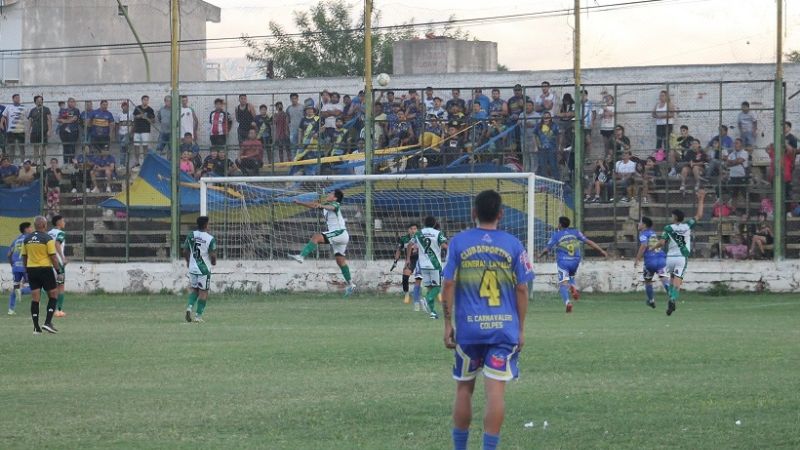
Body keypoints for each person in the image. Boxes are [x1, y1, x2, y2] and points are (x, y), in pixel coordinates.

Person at [441, 189, 534, 450]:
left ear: (473, 213)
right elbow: (522, 288)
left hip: (469, 330)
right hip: (503, 330)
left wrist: (448, 324)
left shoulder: (458, 242)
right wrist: (521, 329)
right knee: (495, 392)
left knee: (464, 389)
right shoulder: (514, 244)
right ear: (501, 214)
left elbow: (447, 283)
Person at [290, 189, 356, 296]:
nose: (328, 194)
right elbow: (314, 205)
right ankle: (351, 284)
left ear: (335, 198)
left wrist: (322, 206)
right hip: (341, 236)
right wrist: (300, 203)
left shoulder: (335, 204)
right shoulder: (326, 204)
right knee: (340, 261)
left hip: (339, 233)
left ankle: (301, 256)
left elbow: (332, 207)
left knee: (316, 237)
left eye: (331, 194)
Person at [539, 216, 607, 313]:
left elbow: (547, 249)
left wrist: (540, 255)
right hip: (575, 261)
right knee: (570, 276)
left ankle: (567, 303)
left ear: (560, 225)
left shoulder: (557, 235)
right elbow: (589, 242)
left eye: (558, 223)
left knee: (563, 283)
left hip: (563, 262)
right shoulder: (576, 232)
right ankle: (573, 286)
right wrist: (601, 251)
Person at [656, 190, 706, 316]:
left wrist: (653, 247)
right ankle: (672, 299)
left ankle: (671, 298)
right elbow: (699, 215)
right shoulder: (687, 226)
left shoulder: (668, 228)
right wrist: (701, 199)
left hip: (670, 258)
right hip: (681, 258)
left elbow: (661, 243)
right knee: (677, 282)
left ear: (674, 217)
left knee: (669, 279)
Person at [22, 216, 63, 334]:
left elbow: (24, 256)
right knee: (53, 294)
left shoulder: (27, 239)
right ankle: (47, 323)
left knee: (35, 298)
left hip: (31, 269)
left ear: (35, 226)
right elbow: (53, 257)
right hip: (45, 269)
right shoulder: (47, 238)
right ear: (44, 225)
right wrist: (59, 271)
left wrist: (26, 270)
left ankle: (36, 328)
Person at [411, 216, 448, 319]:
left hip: (423, 265)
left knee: (430, 287)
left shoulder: (419, 233)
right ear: (434, 223)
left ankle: (433, 313)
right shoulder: (437, 233)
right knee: (437, 287)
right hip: (435, 264)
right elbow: (445, 246)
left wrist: (408, 257)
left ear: (424, 223)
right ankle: (426, 300)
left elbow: (410, 244)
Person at [183, 216, 217, 323]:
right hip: (204, 269)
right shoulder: (210, 238)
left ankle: (189, 307)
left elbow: (185, 251)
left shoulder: (191, 235)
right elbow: (212, 255)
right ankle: (198, 316)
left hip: (193, 268)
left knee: (194, 289)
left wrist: (188, 261)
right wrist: (214, 262)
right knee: (203, 292)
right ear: (206, 225)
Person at [634, 216, 670, 309]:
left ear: (644, 225)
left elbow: (644, 245)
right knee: (664, 278)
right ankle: (671, 295)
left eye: (640, 222)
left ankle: (651, 300)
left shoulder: (643, 234)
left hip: (650, 262)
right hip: (661, 260)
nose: (638, 224)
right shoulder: (653, 233)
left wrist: (637, 259)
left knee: (648, 281)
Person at [7, 221, 33, 315]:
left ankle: (11, 309)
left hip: (15, 267)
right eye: (30, 227)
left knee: (15, 286)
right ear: (26, 229)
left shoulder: (16, 240)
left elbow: (9, 254)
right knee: (34, 287)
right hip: (25, 266)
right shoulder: (30, 239)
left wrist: (12, 264)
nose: (32, 229)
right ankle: (21, 292)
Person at [391, 223, 419, 305]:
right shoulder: (404, 239)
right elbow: (399, 250)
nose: (413, 231)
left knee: (427, 277)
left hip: (421, 260)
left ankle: (434, 294)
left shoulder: (420, 237)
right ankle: (407, 295)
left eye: (415, 229)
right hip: (410, 260)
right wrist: (395, 262)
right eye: (411, 229)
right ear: (408, 230)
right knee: (405, 277)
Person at [48, 215, 68, 317]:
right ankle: (59, 310)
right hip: (58, 263)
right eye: (63, 220)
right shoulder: (61, 233)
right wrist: (63, 257)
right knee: (60, 286)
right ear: (58, 222)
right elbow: (57, 244)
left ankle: (53, 309)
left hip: (48, 262)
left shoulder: (49, 233)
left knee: (52, 286)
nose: (64, 222)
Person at [28, 95, 52, 164]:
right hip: (35, 131)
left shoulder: (46, 109)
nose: (40, 102)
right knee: (35, 147)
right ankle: (35, 161)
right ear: (35, 102)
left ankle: (43, 161)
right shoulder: (32, 110)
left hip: (44, 131)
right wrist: (28, 131)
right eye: (38, 101)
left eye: (41, 100)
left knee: (43, 146)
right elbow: (30, 120)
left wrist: (49, 130)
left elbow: (49, 120)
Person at [132, 95, 155, 167]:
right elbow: (134, 117)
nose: (146, 101)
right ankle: (137, 161)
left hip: (145, 130)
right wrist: (139, 116)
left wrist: (147, 118)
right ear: (142, 100)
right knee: (136, 146)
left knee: (145, 146)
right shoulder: (137, 108)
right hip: (137, 130)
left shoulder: (150, 110)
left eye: (147, 100)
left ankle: (145, 161)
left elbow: (153, 120)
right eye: (144, 100)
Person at [57, 98, 81, 164]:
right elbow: (58, 119)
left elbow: (73, 119)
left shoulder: (76, 110)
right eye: (71, 102)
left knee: (72, 147)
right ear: (67, 103)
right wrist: (65, 121)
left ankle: (71, 163)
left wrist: (64, 121)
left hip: (73, 132)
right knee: (65, 147)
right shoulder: (63, 110)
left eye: (73, 102)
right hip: (63, 132)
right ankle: (65, 163)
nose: (72, 103)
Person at [3, 94, 26, 161]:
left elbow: (29, 117)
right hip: (11, 131)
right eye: (16, 98)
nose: (18, 99)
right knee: (11, 147)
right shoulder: (8, 107)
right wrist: (2, 126)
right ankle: (11, 162)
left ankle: (22, 162)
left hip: (21, 130)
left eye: (19, 98)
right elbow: (3, 117)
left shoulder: (23, 107)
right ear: (13, 99)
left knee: (22, 147)